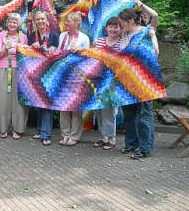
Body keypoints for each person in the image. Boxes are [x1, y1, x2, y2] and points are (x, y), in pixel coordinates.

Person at [118, 8, 159, 159]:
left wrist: (140, 4)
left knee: (144, 114)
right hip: (128, 79)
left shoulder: (147, 32)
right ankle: (131, 144)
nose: (121, 26)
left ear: (130, 21)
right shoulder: (125, 36)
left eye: (122, 23)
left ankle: (145, 148)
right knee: (129, 114)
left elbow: (155, 15)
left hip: (144, 80)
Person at [27, 11, 60, 146]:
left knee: (47, 103)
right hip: (36, 72)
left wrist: (53, 49)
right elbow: (27, 54)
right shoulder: (31, 36)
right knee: (39, 102)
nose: (40, 21)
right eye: (38, 19)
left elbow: (59, 54)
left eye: (42, 19)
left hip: (50, 73)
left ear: (47, 20)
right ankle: (40, 130)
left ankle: (46, 134)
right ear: (34, 22)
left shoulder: (54, 35)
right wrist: (31, 48)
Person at [58, 12, 90, 146]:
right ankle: (65, 134)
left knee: (76, 107)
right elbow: (59, 52)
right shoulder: (62, 36)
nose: (66, 23)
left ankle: (75, 135)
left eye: (69, 21)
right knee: (63, 106)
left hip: (77, 76)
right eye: (66, 21)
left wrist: (79, 51)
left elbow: (88, 57)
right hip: (63, 74)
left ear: (77, 23)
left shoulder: (84, 38)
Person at [0, 13, 28, 139]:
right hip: (3, 69)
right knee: (3, 99)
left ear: (18, 24)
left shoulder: (23, 37)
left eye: (15, 22)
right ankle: (3, 128)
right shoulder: (1, 35)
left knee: (17, 100)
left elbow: (27, 55)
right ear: (7, 23)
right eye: (10, 22)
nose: (12, 24)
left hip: (19, 70)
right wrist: (5, 48)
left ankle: (18, 129)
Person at [92, 17, 122, 150]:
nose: (113, 29)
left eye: (116, 27)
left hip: (114, 81)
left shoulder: (122, 43)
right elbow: (92, 59)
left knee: (110, 110)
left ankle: (112, 138)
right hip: (99, 80)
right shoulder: (98, 42)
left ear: (120, 29)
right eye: (111, 26)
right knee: (99, 109)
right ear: (106, 28)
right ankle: (104, 136)